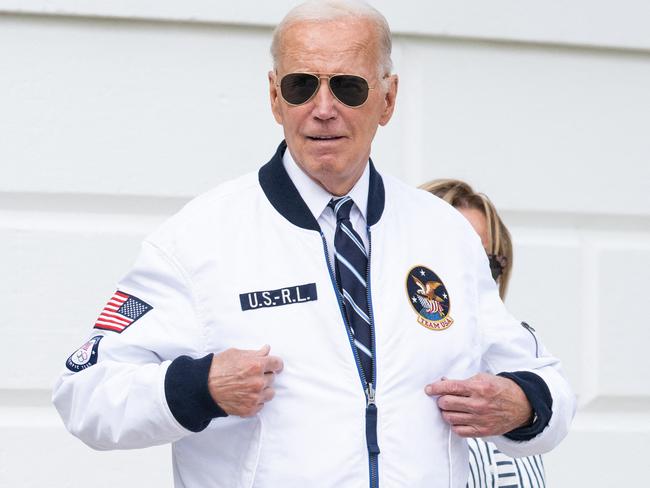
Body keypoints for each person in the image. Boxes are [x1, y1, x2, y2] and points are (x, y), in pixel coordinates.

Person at [52, 1, 574, 487]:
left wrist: (522, 405)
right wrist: (201, 386)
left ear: (387, 98)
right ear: (275, 97)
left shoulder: (444, 233)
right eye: (302, 86)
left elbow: (548, 384)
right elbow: (86, 394)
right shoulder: (199, 239)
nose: (323, 108)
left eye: (348, 87)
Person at [421, 178, 547, 487]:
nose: (468, 278)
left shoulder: (520, 367)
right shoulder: (384, 376)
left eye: (486, 264)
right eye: (445, 265)